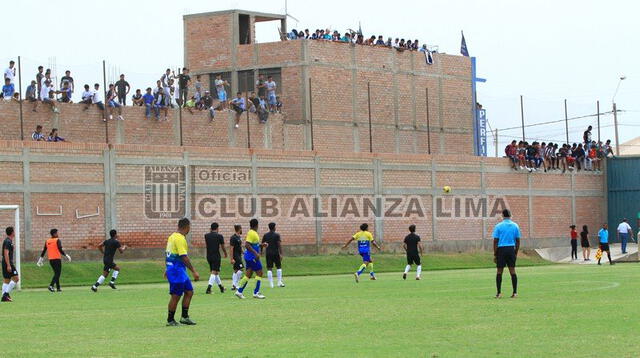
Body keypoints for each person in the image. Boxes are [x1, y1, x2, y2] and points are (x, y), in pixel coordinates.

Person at [165, 218, 199, 326]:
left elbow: (168, 253)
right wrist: (194, 271)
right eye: (189, 227)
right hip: (176, 270)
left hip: (178, 269)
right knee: (176, 295)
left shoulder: (172, 236)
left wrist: (166, 268)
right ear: (187, 227)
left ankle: (184, 317)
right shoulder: (180, 238)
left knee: (189, 291)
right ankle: (170, 320)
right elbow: (184, 257)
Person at [234, 218, 267, 299]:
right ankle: (256, 293)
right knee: (260, 273)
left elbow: (253, 245)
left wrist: (262, 245)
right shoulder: (252, 233)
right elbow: (247, 245)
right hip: (252, 257)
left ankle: (239, 291)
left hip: (249, 256)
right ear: (257, 225)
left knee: (248, 274)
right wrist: (256, 253)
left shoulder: (252, 233)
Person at [492, 209, 520, 298]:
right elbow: (518, 240)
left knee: (499, 271)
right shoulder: (515, 226)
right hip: (511, 249)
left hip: (501, 249)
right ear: (510, 215)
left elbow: (495, 241)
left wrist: (495, 254)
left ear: (502, 216)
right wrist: (515, 252)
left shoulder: (498, 226)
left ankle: (499, 293)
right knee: (512, 271)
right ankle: (515, 293)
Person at [204, 222, 227, 294]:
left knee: (215, 272)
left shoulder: (206, 236)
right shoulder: (219, 236)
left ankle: (221, 287)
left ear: (211, 228)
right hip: (216, 256)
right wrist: (225, 253)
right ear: (217, 228)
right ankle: (208, 289)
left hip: (209, 256)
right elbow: (223, 246)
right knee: (214, 272)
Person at [262, 222, 285, 288]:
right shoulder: (277, 235)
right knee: (279, 267)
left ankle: (271, 284)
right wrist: (281, 254)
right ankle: (279, 282)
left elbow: (262, 244)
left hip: (268, 253)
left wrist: (261, 252)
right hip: (276, 253)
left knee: (269, 268)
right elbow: (279, 245)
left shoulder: (265, 235)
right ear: (274, 227)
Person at [2, 227, 19, 302]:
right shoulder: (8, 241)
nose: (15, 232)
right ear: (12, 232)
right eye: (14, 231)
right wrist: (8, 265)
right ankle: (5, 294)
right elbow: (6, 253)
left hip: (5, 262)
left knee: (7, 280)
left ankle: (4, 297)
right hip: (7, 262)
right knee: (16, 278)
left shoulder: (8, 241)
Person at [229, 224, 244, 291]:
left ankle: (233, 285)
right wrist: (231, 258)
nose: (242, 230)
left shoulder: (239, 237)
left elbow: (240, 246)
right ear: (239, 229)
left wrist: (243, 252)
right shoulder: (233, 237)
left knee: (236, 270)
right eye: (241, 228)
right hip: (235, 256)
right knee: (241, 269)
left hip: (239, 255)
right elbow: (231, 248)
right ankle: (236, 284)